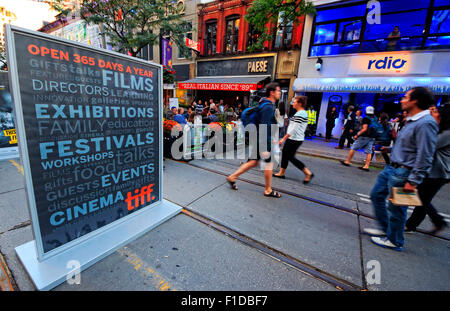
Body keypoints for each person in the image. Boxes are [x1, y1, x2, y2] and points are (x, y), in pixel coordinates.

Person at [364, 87, 439, 251]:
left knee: (398, 207)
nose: (402, 100)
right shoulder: (413, 120)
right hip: (392, 168)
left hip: (404, 173)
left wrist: (413, 181)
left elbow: (426, 155)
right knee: (377, 195)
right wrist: (389, 150)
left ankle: (395, 240)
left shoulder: (426, 123)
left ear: (415, 101)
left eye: (406, 97)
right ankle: (385, 229)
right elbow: (408, 146)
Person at [226, 82, 282, 198]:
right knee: (269, 164)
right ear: (272, 92)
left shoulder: (265, 104)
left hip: (259, 138)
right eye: (278, 90)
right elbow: (264, 127)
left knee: (254, 162)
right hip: (262, 139)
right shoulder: (268, 107)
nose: (280, 93)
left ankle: (232, 177)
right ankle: (268, 190)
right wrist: (265, 146)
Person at [405, 103, 449, 234]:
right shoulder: (439, 129)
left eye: (435, 112)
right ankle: (438, 221)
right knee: (421, 197)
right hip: (431, 171)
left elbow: (427, 145)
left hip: (439, 173)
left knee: (421, 199)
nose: (433, 114)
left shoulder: (447, 133)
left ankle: (410, 225)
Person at [273, 96, 314, 184]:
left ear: (300, 103)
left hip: (294, 139)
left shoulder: (300, 114)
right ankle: (281, 172)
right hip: (295, 138)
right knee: (286, 154)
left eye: (295, 102)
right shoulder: (300, 113)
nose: (293, 103)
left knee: (290, 157)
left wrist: (283, 139)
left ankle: (307, 173)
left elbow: (294, 128)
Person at [340, 106, 377, 171]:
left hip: (364, 136)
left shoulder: (366, 118)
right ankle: (366, 166)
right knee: (369, 151)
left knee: (353, 147)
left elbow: (364, 129)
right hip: (372, 137)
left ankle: (348, 161)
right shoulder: (375, 118)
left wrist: (357, 134)